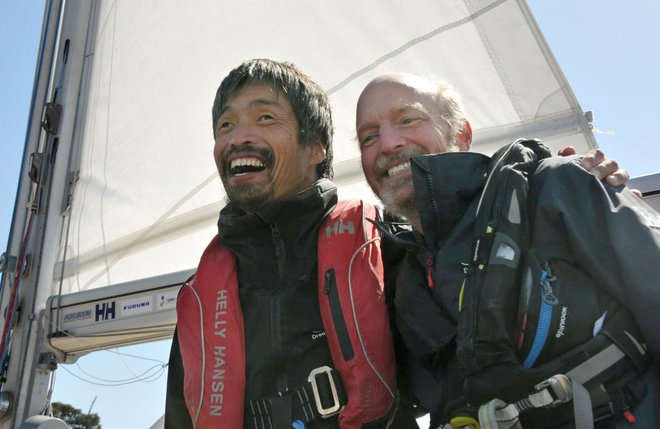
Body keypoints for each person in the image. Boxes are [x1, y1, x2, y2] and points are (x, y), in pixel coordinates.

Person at [355, 73, 660, 428]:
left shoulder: (559, 186)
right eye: (369, 137)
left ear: (462, 134)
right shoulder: (396, 284)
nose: (388, 144)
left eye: (408, 119)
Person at [164, 59, 419, 429]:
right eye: (226, 125)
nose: (237, 139)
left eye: (265, 118)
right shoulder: (201, 298)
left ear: (315, 147)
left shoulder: (383, 244)